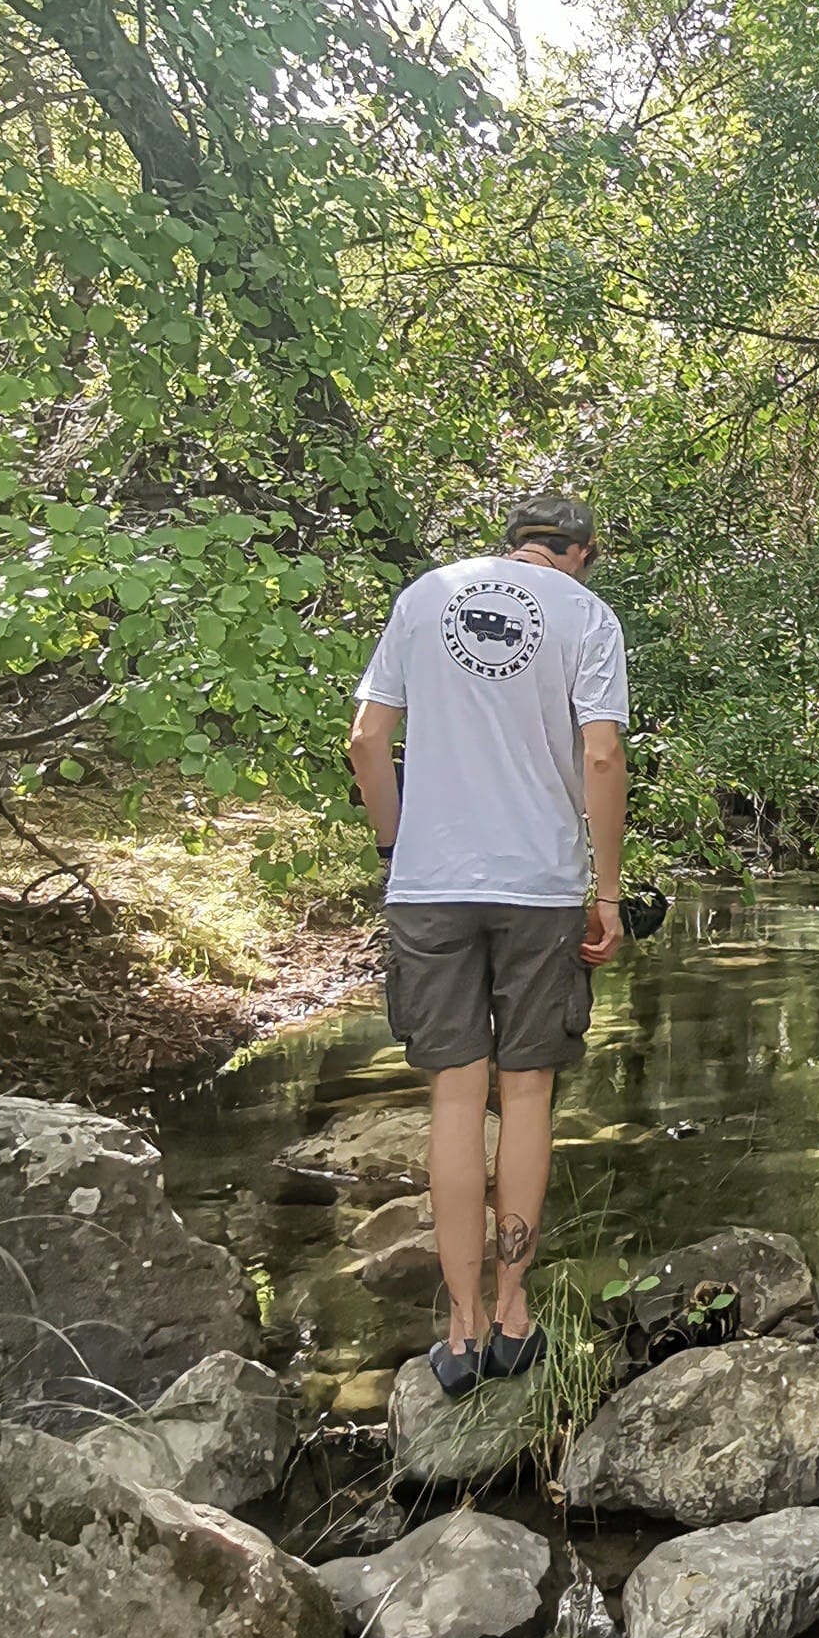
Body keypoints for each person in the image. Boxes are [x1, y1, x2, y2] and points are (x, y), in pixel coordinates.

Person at [347, 495, 629, 1395]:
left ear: (514, 543)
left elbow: (366, 740)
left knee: (455, 1101)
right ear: (579, 552)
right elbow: (600, 760)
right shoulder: (586, 614)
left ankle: (459, 1328)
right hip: (537, 884)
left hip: (430, 885)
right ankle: (514, 1312)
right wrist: (609, 891)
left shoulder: (428, 595)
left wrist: (397, 848)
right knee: (529, 1093)